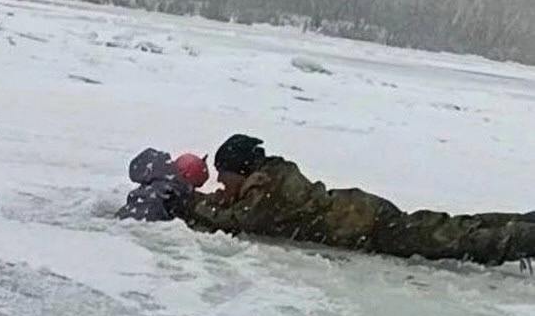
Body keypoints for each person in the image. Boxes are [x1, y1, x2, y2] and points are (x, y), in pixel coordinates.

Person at [177, 134, 535, 267]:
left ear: (243, 171)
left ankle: (524, 237)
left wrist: (188, 204)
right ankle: (525, 223)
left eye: (225, 179)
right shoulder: (268, 179)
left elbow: (240, 220)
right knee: (451, 227)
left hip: (370, 227)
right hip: (364, 215)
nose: (222, 186)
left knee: (456, 240)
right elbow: (241, 209)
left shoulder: (269, 188)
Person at [116, 148, 208, 221]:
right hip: (141, 224)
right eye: (195, 185)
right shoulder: (174, 192)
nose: (193, 190)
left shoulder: (157, 179)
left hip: (125, 216)